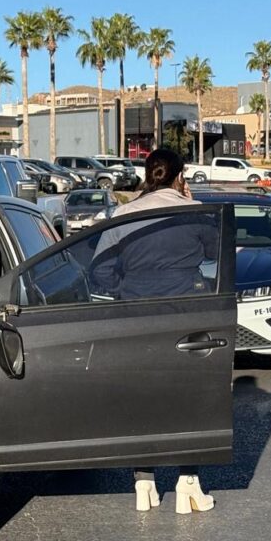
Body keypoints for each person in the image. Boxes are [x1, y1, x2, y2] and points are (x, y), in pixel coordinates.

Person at [107, 149, 218, 515]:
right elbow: (215, 252)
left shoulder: (122, 214)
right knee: (187, 397)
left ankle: (144, 482)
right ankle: (188, 483)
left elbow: (101, 269)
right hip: (185, 316)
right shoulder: (193, 211)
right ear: (180, 176)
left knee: (143, 397)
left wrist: (126, 287)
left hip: (135, 318)